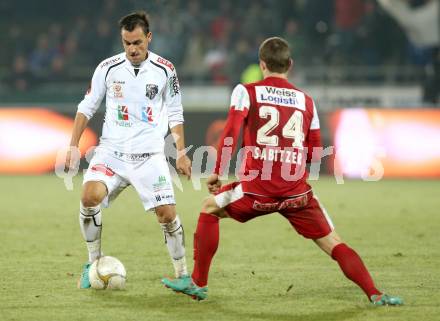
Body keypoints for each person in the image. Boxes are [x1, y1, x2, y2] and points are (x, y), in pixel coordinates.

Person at [162, 37, 403, 306]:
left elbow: (231, 131)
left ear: (261, 64)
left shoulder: (246, 91)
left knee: (209, 207)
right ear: (290, 64)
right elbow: (313, 154)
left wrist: (218, 170)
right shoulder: (306, 101)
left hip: (257, 190)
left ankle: (198, 283)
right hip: (296, 193)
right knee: (334, 243)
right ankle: (375, 293)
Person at [65, 11, 191, 288]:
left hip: (149, 156)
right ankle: (92, 263)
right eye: (126, 43)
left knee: (167, 215)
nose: (132, 49)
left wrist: (180, 152)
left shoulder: (165, 70)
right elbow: (86, 107)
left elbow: (175, 112)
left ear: (148, 38)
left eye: (137, 42)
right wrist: (73, 146)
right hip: (112, 152)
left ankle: (183, 276)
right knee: (89, 197)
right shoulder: (107, 68)